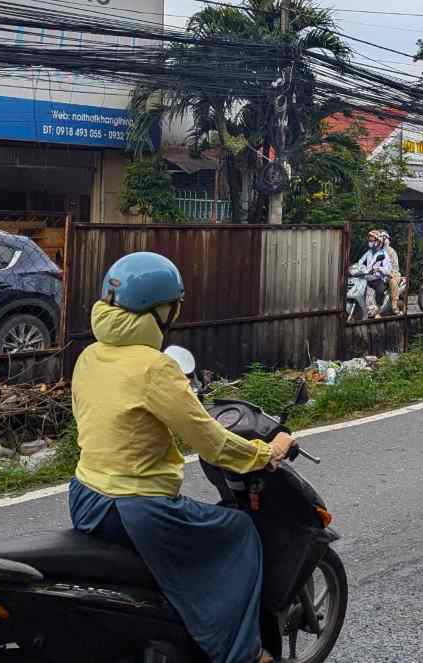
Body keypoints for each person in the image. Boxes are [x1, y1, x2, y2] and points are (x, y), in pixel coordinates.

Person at [67, 251, 295, 663]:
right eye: (173, 306)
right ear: (157, 310)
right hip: (135, 508)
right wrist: (265, 452)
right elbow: (211, 442)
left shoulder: (90, 355)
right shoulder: (155, 367)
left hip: (85, 498)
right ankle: (242, 652)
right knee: (239, 531)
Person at [356, 230, 395, 316]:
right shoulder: (369, 252)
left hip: (379, 278)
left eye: (372, 240)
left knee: (379, 290)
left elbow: (388, 269)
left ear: (378, 241)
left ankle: (378, 308)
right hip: (368, 277)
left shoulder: (383, 254)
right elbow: (360, 261)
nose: (370, 242)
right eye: (369, 240)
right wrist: (357, 267)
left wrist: (379, 269)